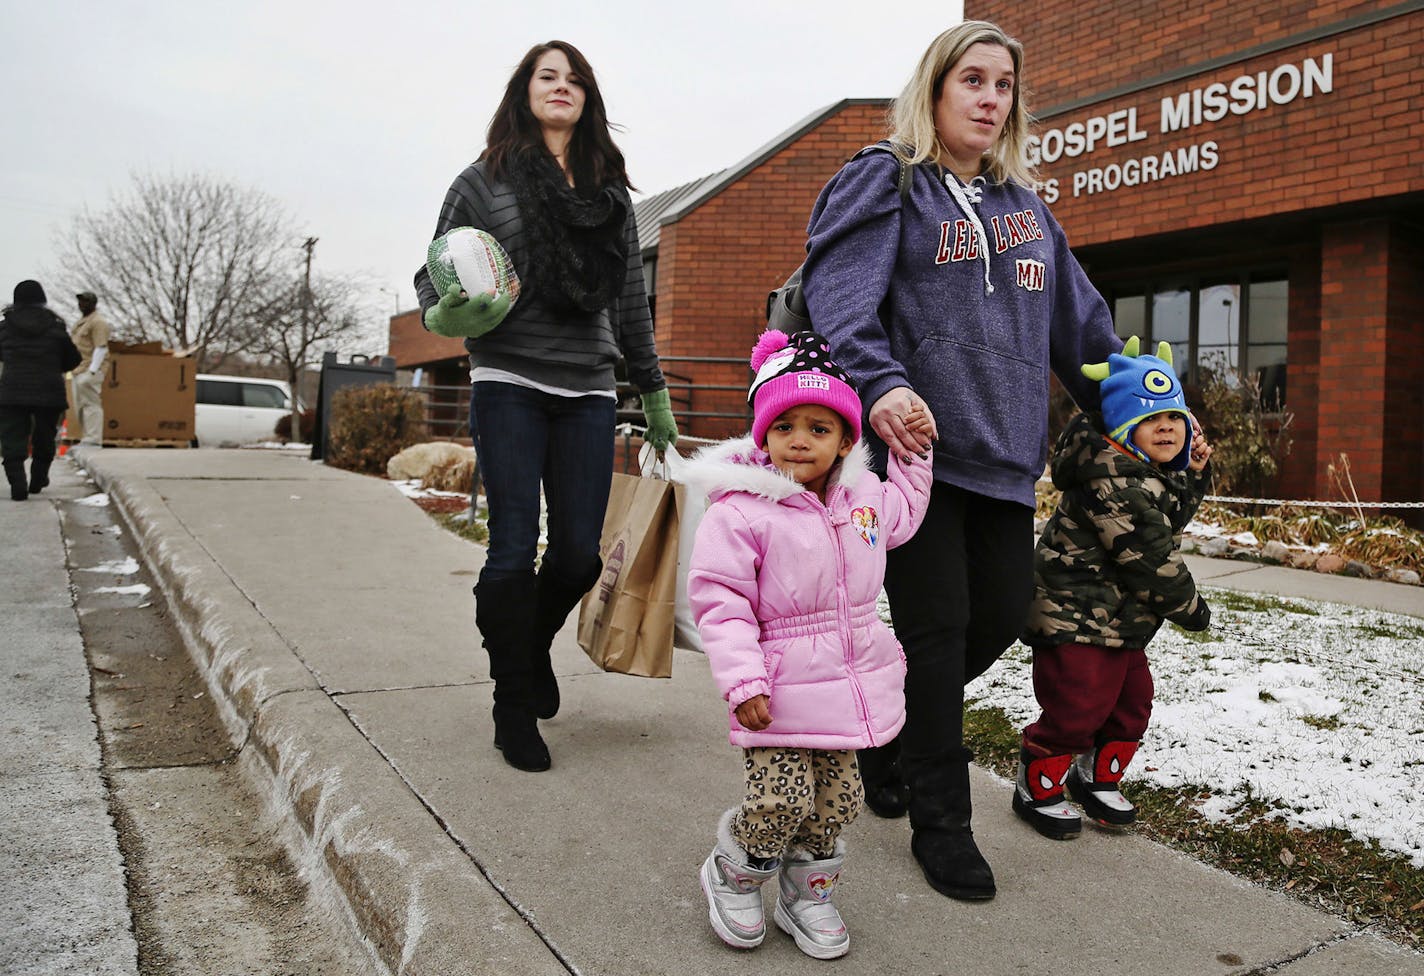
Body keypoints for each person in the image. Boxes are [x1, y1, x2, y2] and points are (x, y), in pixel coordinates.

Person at [800, 20, 1123, 901]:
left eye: (1004, 85)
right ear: (936, 90)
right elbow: (839, 298)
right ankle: (942, 825)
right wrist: (882, 385)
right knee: (939, 637)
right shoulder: (890, 181)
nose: (989, 98)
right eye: (972, 80)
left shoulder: (1029, 210)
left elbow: (1084, 334)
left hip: (1007, 459)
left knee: (998, 618)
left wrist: (1146, 408)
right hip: (916, 459)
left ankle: (884, 738)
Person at [412, 40, 678, 773]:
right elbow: (432, 274)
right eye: (546, 76)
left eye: (574, 80)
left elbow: (630, 305)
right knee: (510, 547)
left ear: (587, 98)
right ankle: (510, 703)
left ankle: (527, 650)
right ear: (524, 92)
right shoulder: (485, 179)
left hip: (588, 390)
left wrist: (652, 393)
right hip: (508, 381)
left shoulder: (611, 195)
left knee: (574, 556)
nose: (561, 88)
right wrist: (446, 317)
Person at [684, 329, 932, 960]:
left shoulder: (863, 499)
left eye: (819, 428)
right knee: (780, 797)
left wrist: (915, 451)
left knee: (840, 801)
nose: (800, 439)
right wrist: (743, 682)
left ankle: (807, 891)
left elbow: (902, 514)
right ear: (763, 434)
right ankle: (736, 873)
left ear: (847, 440)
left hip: (850, 682)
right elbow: (721, 601)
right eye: (785, 424)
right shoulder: (741, 513)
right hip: (777, 686)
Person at [1015, 338, 1213, 839]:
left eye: (1174, 418)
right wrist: (1193, 610)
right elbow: (1151, 557)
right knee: (1077, 707)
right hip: (1074, 617)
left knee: (1132, 703)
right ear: (1125, 429)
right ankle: (1036, 786)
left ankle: (1096, 779)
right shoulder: (1111, 481)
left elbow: (1166, 519)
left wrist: (1192, 474)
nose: (1166, 427)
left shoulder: (1143, 472)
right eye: (1151, 420)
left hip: (1117, 621)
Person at [0, 281, 82, 500]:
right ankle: (38, 478)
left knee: (12, 437)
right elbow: (73, 359)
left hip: (12, 391)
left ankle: (17, 483)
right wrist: (55, 366)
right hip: (49, 390)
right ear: (42, 299)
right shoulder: (56, 326)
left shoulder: (5, 327)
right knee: (45, 435)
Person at [70, 290, 110, 446]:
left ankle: (93, 438)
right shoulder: (82, 322)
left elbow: (101, 347)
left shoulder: (98, 322)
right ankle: (87, 436)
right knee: (80, 406)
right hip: (78, 369)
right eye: (80, 301)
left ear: (93, 303)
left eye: (85, 301)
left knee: (91, 404)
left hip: (90, 368)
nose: (82, 304)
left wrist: (93, 370)